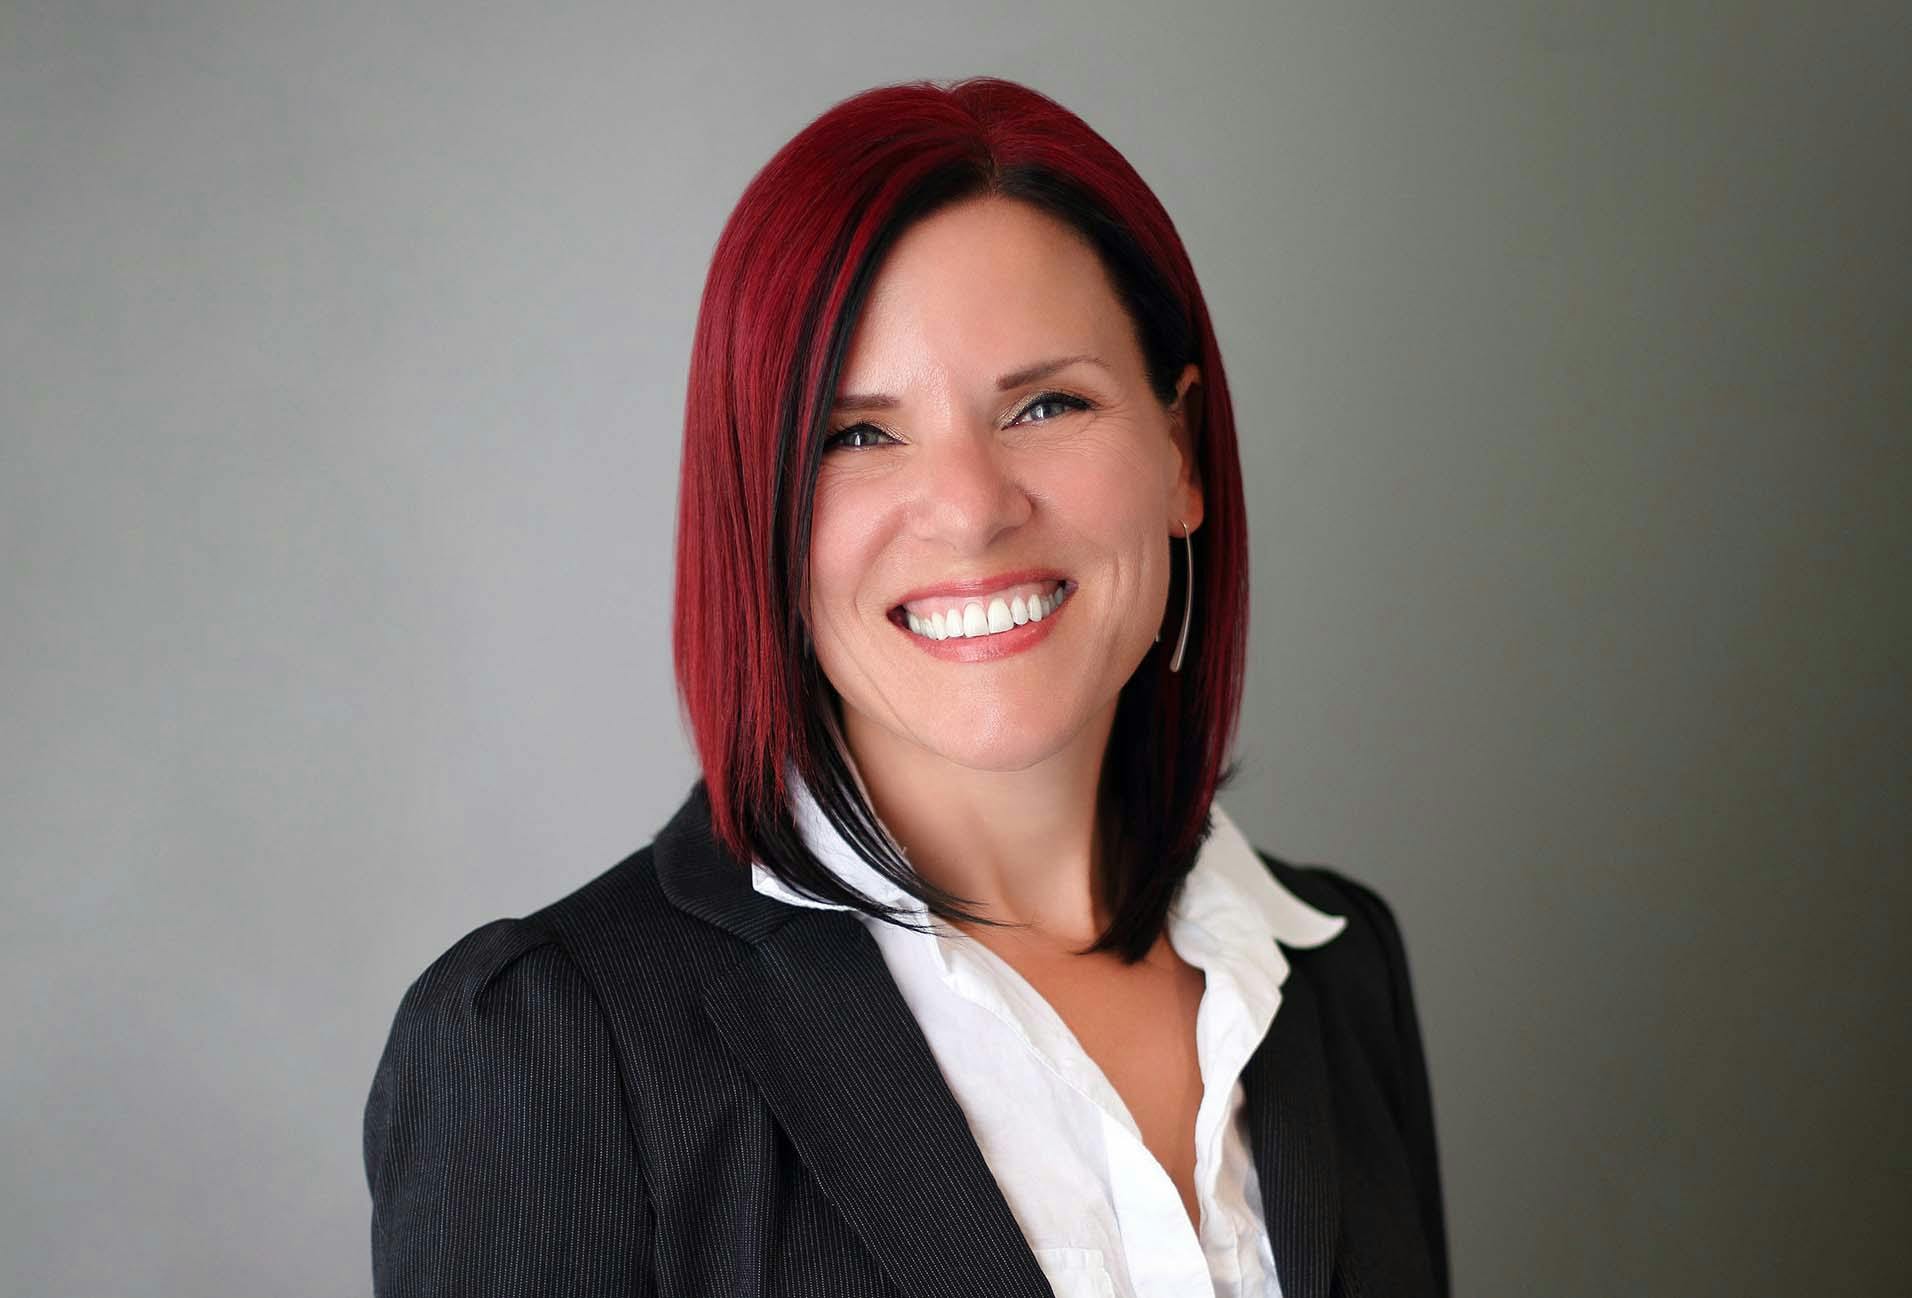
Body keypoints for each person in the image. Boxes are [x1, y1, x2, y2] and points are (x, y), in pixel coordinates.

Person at [363, 76, 1448, 1298]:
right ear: (756, 513)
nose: (974, 507)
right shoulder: (554, 1050)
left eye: (1046, 404)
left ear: (1181, 454)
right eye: (857, 434)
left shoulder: (1339, 969)